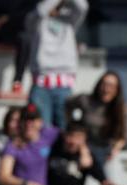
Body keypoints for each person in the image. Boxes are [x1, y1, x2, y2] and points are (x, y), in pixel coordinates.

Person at [0, 103, 61, 185]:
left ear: (40, 122)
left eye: (33, 119)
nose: (29, 123)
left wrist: (84, 151)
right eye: (25, 119)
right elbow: (3, 177)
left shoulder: (49, 136)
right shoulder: (13, 145)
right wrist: (26, 184)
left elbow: (75, 135)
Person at [24, 0, 88, 128]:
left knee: (65, 128)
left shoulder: (69, 20)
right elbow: (41, 11)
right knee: (41, 129)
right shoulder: (36, 20)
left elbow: (82, 6)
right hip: (41, 83)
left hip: (64, 85)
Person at [66, 71, 127, 165]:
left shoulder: (122, 109)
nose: (106, 89)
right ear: (99, 85)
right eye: (104, 84)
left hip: (108, 149)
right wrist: (76, 135)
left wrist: (115, 150)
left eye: (111, 86)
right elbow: (67, 105)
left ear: (117, 90)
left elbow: (124, 136)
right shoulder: (85, 100)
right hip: (85, 147)